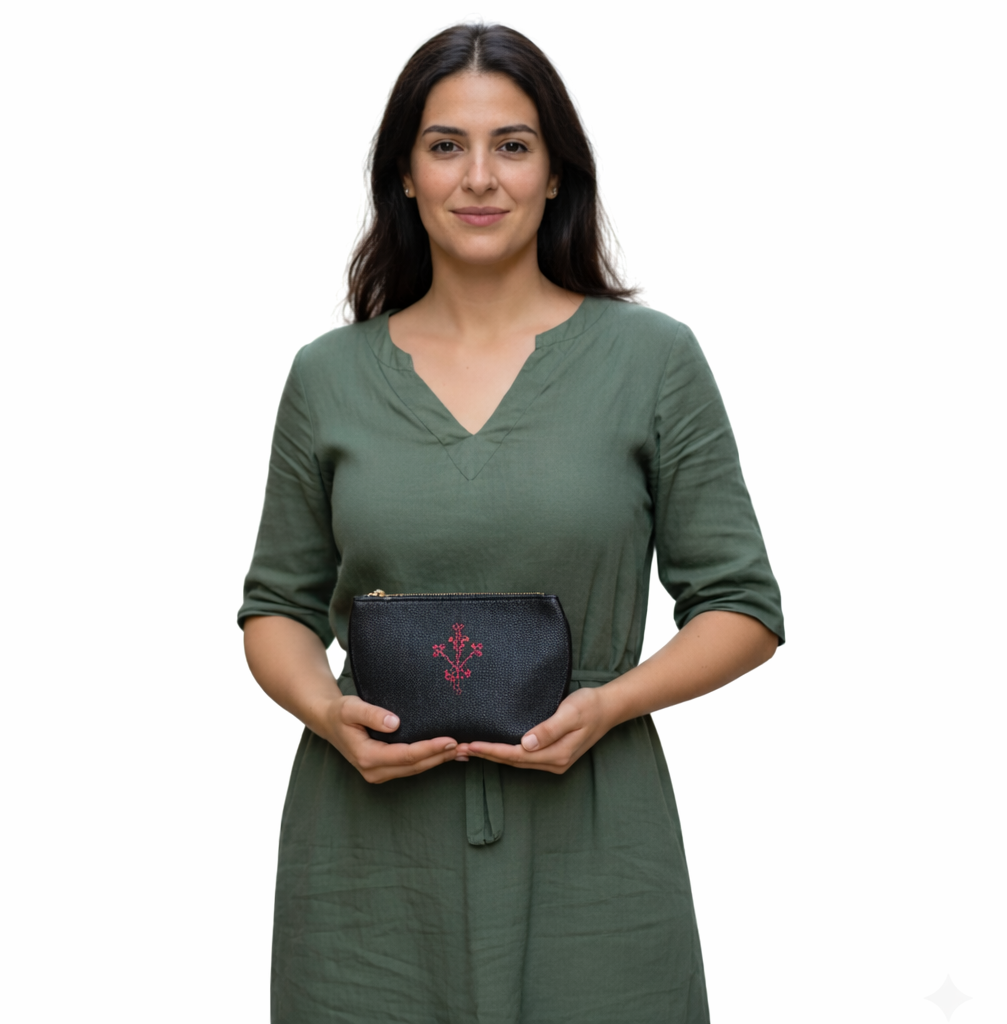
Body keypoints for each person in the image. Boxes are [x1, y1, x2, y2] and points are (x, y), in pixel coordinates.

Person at [238, 22, 784, 1023]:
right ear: (403, 173)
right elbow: (275, 605)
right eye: (446, 145)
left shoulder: (653, 361)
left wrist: (610, 704)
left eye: (513, 145)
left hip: (592, 838)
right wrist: (327, 713)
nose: (479, 176)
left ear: (555, 172)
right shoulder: (329, 375)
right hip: (366, 856)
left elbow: (742, 606)